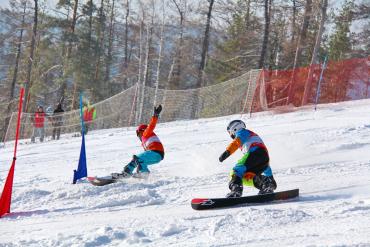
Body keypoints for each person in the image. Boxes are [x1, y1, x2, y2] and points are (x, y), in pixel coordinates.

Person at [218, 120, 277, 197]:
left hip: (254, 153)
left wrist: (227, 152)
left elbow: (236, 143)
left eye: (230, 132)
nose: (230, 134)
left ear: (234, 129)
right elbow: (263, 163)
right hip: (264, 157)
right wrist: (270, 177)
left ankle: (236, 190)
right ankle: (267, 184)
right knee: (246, 176)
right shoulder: (251, 137)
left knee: (236, 170)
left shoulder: (242, 132)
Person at [113, 105, 164, 179]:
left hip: (155, 152)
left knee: (137, 158)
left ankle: (143, 173)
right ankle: (127, 173)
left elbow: (151, 126)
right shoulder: (145, 141)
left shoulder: (146, 133)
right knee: (136, 160)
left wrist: (155, 115)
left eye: (138, 134)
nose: (139, 136)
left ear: (142, 131)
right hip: (157, 156)